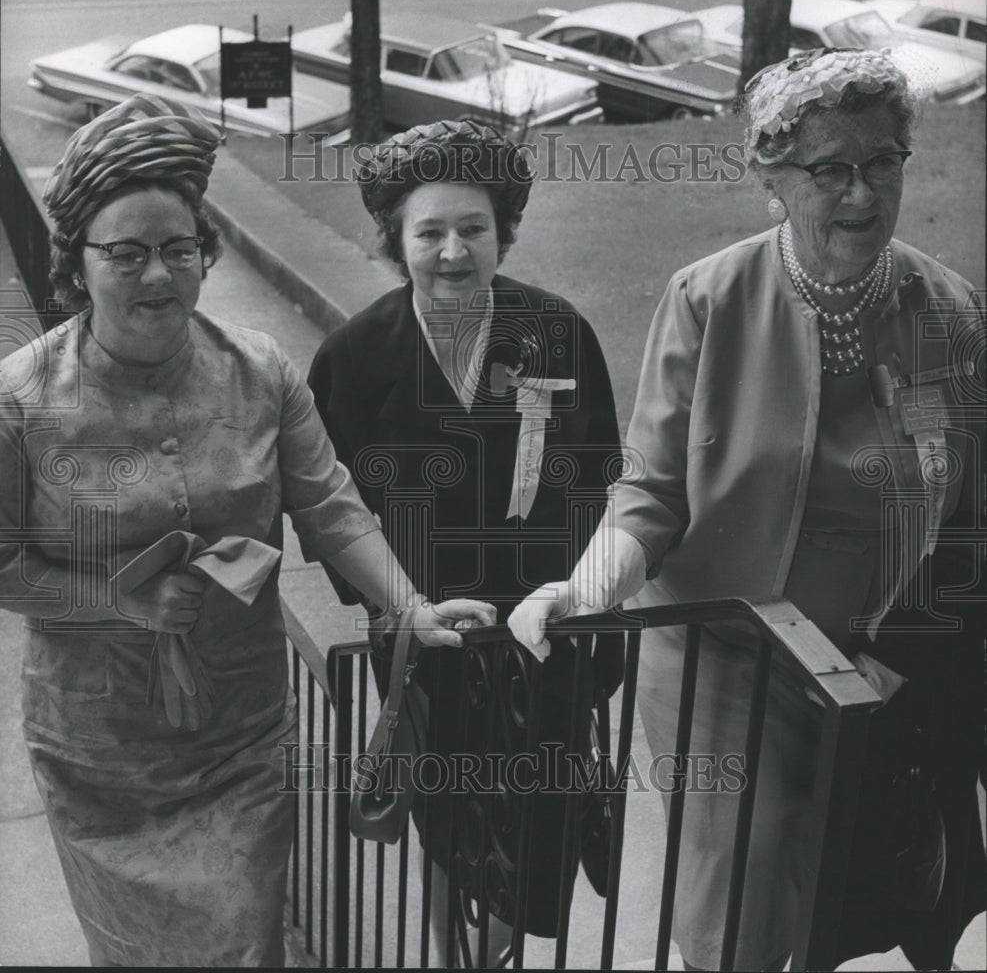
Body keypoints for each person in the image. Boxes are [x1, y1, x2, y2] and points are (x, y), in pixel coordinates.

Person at [509, 49, 985, 971]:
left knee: (837, 889)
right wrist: (582, 590)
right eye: (828, 169)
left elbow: (965, 501)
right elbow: (649, 492)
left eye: (882, 161)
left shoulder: (949, 310)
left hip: (867, 662)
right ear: (770, 174)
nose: (860, 193)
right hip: (721, 654)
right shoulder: (708, 298)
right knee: (742, 885)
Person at [0, 94, 495, 967]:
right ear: (76, 264)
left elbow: (334, 506)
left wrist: (408, 609)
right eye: (125, 253)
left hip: (240, 739)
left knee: (242, 943)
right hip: (99, 753)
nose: (157, 275)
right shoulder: (20, 400)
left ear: (205, 253)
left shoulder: (261, 369)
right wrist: (118, 599)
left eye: (178, 249)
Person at [307, 119, 623, 963]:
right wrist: (397, 609)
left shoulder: (557, 334)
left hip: (543, 632)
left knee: (538, 829)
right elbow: (331, 508)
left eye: (473, 229)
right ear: (394, 240)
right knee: (448, 818)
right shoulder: (353, 356)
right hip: (426, 636)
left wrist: (581, 602)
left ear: (503, 232)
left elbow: (598, 486)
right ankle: (451, 953)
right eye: (429, 232)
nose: (453, 252)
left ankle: (498, 955)